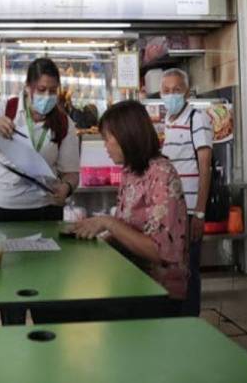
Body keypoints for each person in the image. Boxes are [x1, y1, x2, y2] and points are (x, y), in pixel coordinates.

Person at [73, 101, 189, 314]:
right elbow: (126, 230)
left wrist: (108, 223)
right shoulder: (130, 172)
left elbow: (161, 251)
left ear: (127, 135)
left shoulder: (161, 174)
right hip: (130, 281)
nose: (105, 146)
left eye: (107, 139)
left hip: (157, 290)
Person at [0, 58, 80, 222]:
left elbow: (71, 174)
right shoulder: (7, 108)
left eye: (53, 91)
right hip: (1, 205)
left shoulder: (64, 123)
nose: (47, 96)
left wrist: (66, 188)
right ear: (28, 88)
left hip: (45, 208)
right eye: (41, 89)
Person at [159, 68, 212, 317]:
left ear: (187, 92)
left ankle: (191, 320)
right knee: (175, 268)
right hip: (174, 208)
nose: (171, 95)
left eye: (176, 90)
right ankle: (179, 318)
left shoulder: (197, 118)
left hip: (191, 209)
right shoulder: (168, 120)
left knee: (189, 268)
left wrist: (199, 214)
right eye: (166, 91)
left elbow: (205, 166)